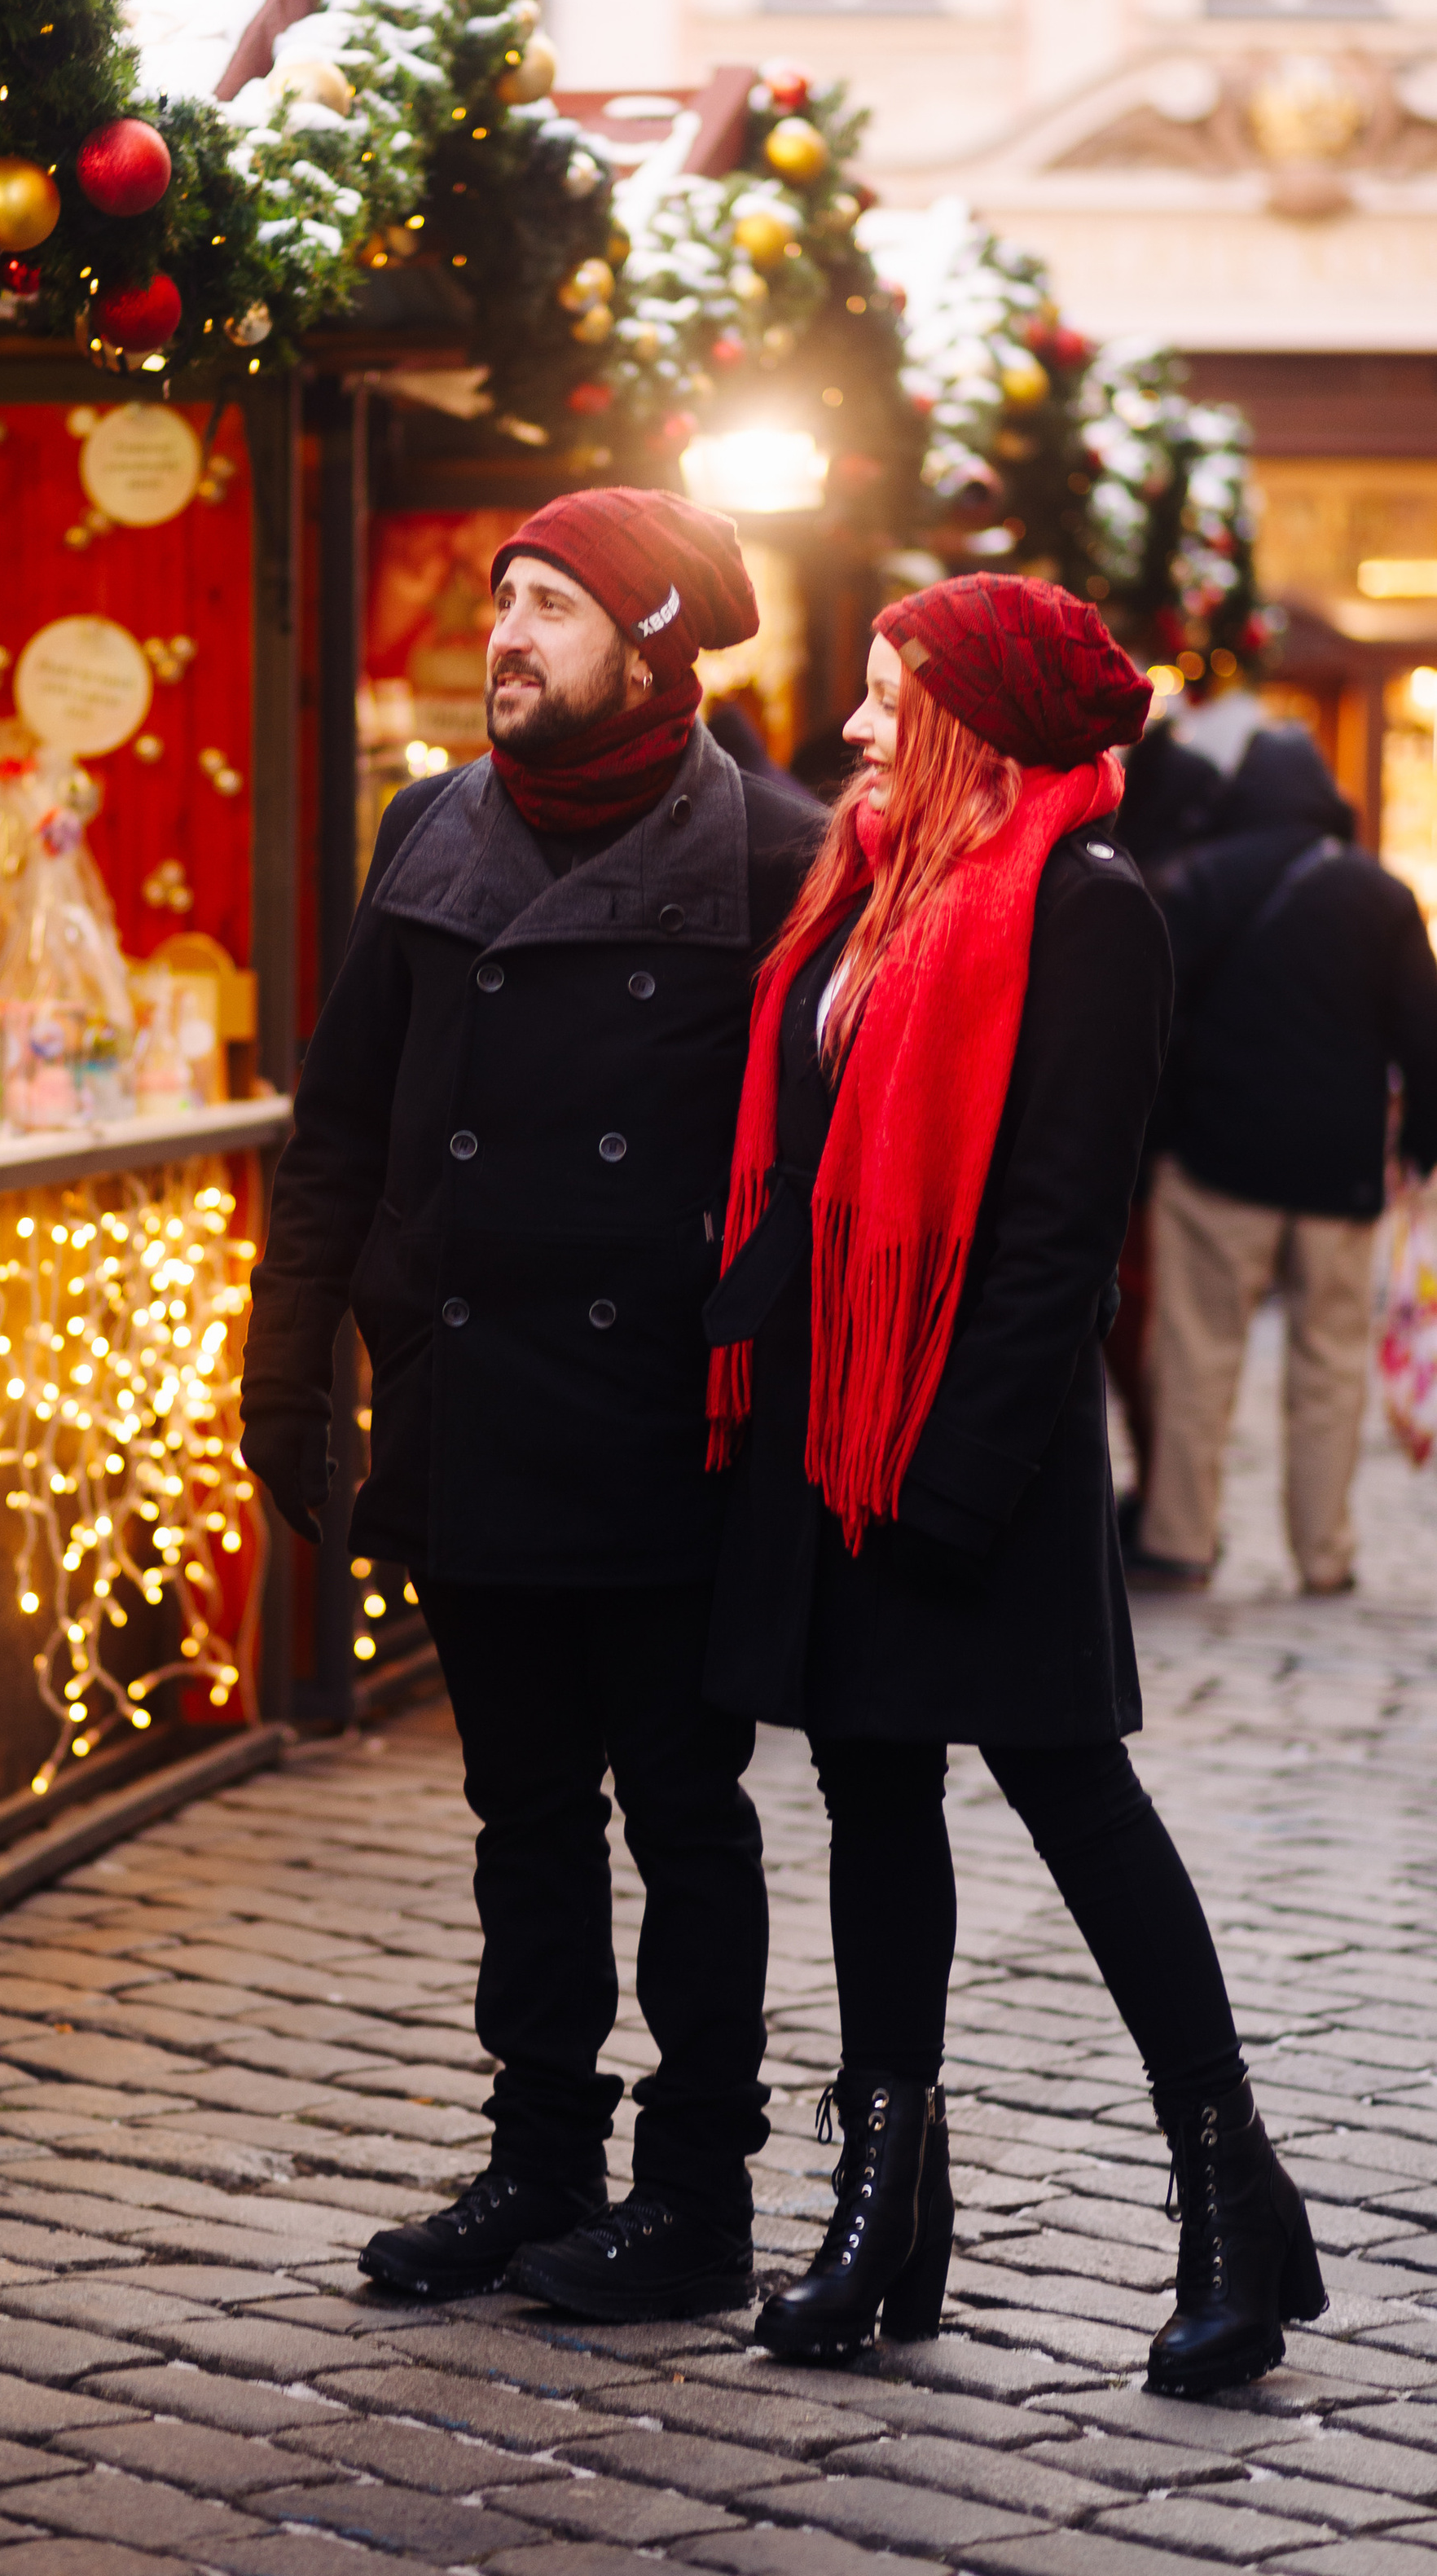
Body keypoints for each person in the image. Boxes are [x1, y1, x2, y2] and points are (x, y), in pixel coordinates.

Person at [703, 575, 1325, 2398]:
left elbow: (1057, 1234)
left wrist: (952, 1474)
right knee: (870, 1799)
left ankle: (1233, 2207)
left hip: (970, 1438)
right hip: (833, 1419)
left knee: (1075, 1801)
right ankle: (884, 2209)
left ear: (976, 714)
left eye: (890, 692)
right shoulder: (869, 890)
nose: (854, 725)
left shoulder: (1085, 909)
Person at [240, 486, 822, 2321]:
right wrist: (291, 1362)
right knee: (520, 1815)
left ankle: (699, 2194)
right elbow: (336, 1132)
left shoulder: (773, 860)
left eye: (553, 608)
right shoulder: (430, 828)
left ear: (652, 649)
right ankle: (537, 2162)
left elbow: (818, 1183)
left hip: (668, 1429)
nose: (506, 635)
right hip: (472, 1403)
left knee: (682, 1810)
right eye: (503, 598)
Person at [1127, 703, 1437, 1594]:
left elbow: (1158, 1022)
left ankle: (1180, 1538)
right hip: (1336, 1173)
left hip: (1217, 1163)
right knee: (1329, 1364)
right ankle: (1324, 1553)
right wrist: (1417, 1145)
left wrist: (1152, 1147)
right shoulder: (1381, 895)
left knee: (1196, 1357)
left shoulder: (1202, 880)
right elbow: (1424, 1033)